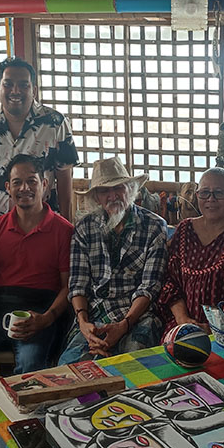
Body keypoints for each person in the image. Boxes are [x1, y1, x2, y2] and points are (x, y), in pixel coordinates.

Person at [0, 154, 73, 392]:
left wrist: (47, 318)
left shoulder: (63, 230)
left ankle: (19, 413)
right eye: (17, 182)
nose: (24, 188)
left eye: (32, 181)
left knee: (31, 371)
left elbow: (68, 286)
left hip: (40, 312)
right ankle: (3, 408)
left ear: (45, 185)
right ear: (8, 187)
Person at [59, 156, 168, 364]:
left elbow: (149, 287)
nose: (112, 196)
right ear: (97, 197)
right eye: (104, 191)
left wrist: (123, 326)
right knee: (68, 369)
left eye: (118, 188)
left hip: (137, 316)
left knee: (132, 369)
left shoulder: (154, 226)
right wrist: (83, 323)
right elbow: (77, 285)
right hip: (93, 315)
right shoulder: (84, 228)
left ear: (130, 188)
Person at [158, 167, 224, 336]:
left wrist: (215, 326)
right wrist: (183, 319)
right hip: (182, 326)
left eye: (219, 193)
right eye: (205, 193)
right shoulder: (184, 229)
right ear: (197, 195)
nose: (211, 199)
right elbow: (170, 281)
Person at [0, 57, 79, 219]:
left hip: (45, 222)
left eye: (23, 85)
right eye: (8, 84)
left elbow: (64, 176)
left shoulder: (55, 122)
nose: (15, 91)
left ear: (34, 90)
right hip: (1, 222)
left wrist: (66, 224)